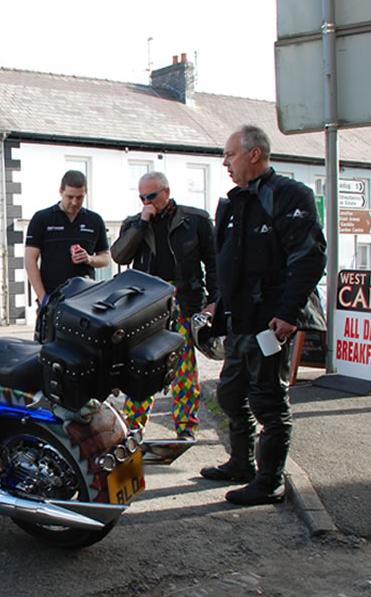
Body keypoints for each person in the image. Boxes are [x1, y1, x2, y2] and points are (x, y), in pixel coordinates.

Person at [201, 125, 326, 506]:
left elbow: (309, 256)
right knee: (229, 394)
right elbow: (228, 262)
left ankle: (270, 481)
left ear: (254, 154)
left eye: (230, 154)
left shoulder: (289, 196)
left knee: (269, 403)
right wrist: (216, 304)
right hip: (239, 321)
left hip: (271, 323)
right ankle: (241, 464)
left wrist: (288, 314)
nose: (225, 162)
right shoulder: (233, 201)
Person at [110, 171, 217, 441]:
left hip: (182, 300)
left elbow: (214, 263)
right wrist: (141, 225)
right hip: (146, 305)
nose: (147, 202)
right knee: (141, 367)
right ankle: (133, 427)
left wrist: (215, 302)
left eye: (152, 196)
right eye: (142, 197)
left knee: (183, 367)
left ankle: (186, 427)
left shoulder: (195, 221)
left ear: (166, 192)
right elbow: (119, 255)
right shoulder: (134, 223)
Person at [24, 170, 111, 310]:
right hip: (53, 297)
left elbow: (106, 258)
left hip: (86, 297)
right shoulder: (42, 218)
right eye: (70, 196)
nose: (74, 202)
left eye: (79, 197)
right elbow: (30, 260)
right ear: (61, 191)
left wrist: (89, 259)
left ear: (86, 192)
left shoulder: (95, 220)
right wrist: (43, 298)